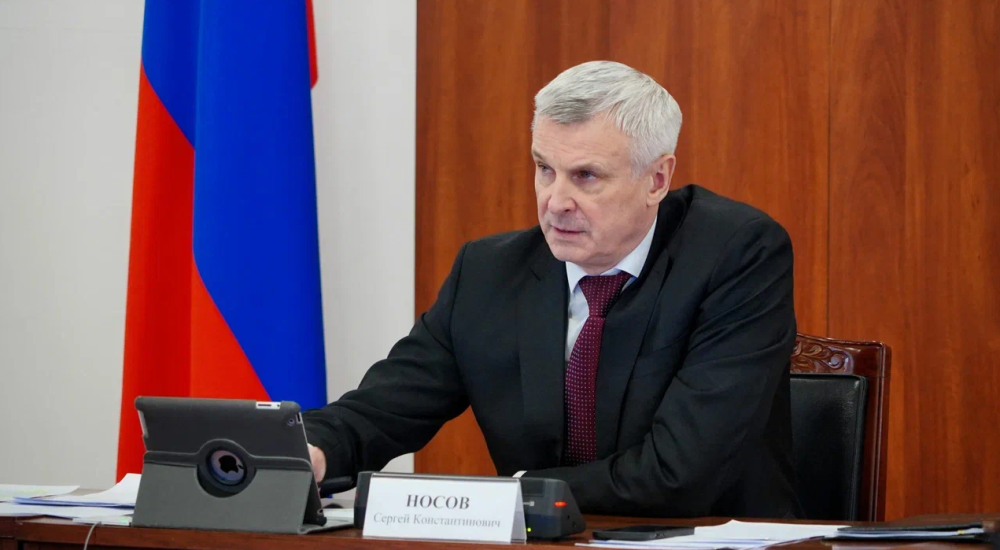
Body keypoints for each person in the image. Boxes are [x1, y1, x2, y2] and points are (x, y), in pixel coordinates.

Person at [303, 60, 802, 518]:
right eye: (545, 169)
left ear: (656, 179)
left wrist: (515, 494)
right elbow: (389, 405)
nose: (556, 201)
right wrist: (314, 450)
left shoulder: (736, 256)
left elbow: (680, 472)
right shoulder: (490, 272)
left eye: (586, 176)